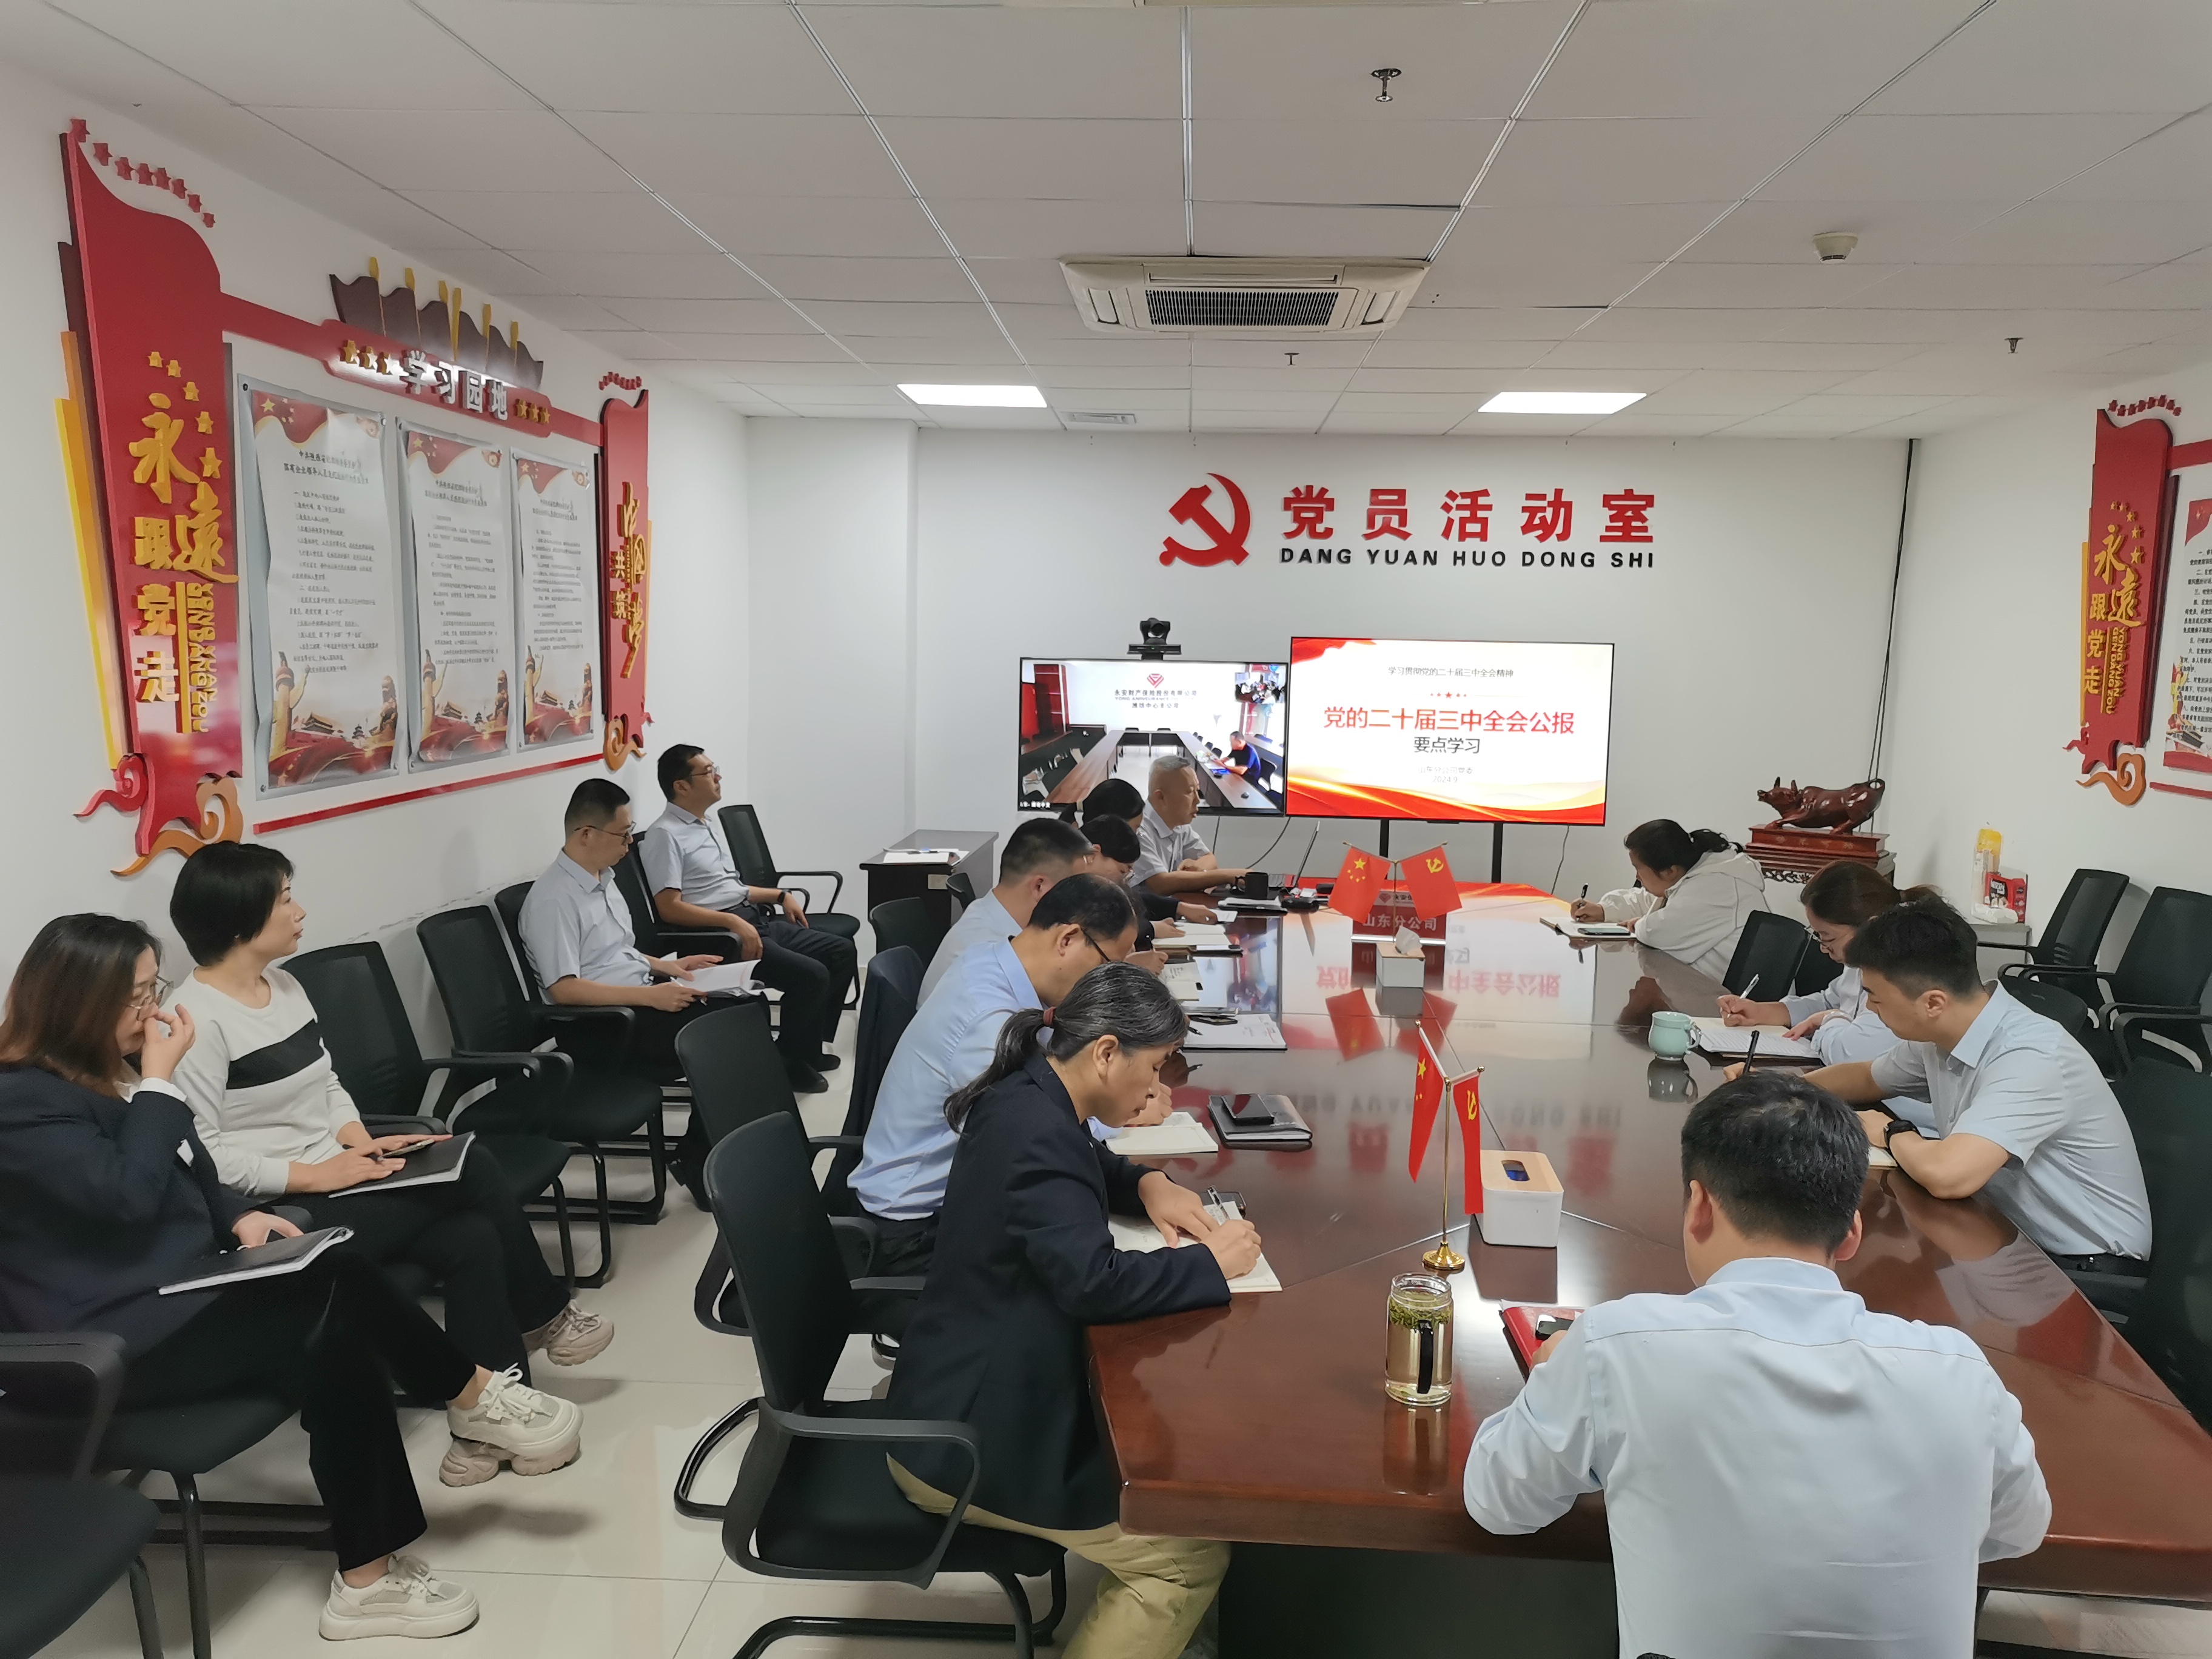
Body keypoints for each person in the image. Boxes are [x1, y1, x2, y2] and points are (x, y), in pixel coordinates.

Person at [0, 914, 590, 1641]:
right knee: (337, 1285)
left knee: (337, 1328)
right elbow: (125, 1195)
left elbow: (191, 1166)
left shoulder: (112, 1074)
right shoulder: (20, 1103)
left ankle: (369, 1579)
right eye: (137, 996)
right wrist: (157, 1081)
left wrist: (240, 1217)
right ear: (76, 1002)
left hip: (180, 1296)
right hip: (110, 1345)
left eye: (155, 988)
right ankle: (471, 1394)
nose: (154, 1010)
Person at [1463, 1070, 2048, 1658]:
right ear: (1851, 1233)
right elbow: (2019, 1529)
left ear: (1699, 1207)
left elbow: (1499, 1500)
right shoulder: (1960, 1373)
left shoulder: (1616, 1346)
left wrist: (1554, 1373)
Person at [886, 964, 1259, 1659]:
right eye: (1154, 1069)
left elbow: (1082, 1166)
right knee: (1186, 1556)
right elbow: (1094, 1283)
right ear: (1107, 1052)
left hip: (960, 1379)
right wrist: (1211, 1264)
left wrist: (1146, 1182)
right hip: (964, 1438)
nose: (1157, 1089)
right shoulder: (1037, 1131)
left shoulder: (1033, 1091)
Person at [164, 842, 611, 1396]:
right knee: (473, 1167)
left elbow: (327, 1083)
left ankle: (490, 1405)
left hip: (342, 1172)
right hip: (283, 1211)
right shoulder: (196, 1020)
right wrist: (316, 1176)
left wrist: (358, 1139)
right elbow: (204, 1157)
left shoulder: (283, 986)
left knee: (471, 1234)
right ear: (240, 918)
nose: (300, 911)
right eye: (285, 899)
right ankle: (544, 1317)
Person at [1798, 898, 2151, 1298]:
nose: (1871, 1008)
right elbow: (1866, 1077)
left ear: (1933, 1002)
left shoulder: (2031, 1055)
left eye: (1875, 997)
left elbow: (1949, 1175)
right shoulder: (1944, 1031)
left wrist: (1892, 1131)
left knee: (1880, 1287)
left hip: (2083, 1264)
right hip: (2002, 1229)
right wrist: (1779, 1089)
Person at [850, 875, 1156, 1275]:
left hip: (955, 1197)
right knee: (1077, 1275)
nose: (1105, 986)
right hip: (912, 1231)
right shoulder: (988, 1019)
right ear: (1068, 939)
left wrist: (1141, 1182)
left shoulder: (994, 961)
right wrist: (1116, 1110)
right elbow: (1041, 1133)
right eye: (1107, 967)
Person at [515, 775, 763, 1083]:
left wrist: (668, 966)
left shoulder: (603, 878)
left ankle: (742, 1108)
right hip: (604, 1024)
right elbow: (565, 989)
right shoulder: (553, 900)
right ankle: (718, 1115)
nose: (630, 842)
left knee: (745, 1002)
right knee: (726, 1027)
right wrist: (651, 997)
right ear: (587, 835)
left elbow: (614, 952)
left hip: (637, 998)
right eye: (623, 835)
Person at [638, 744, 853, 1081]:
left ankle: (806, 1048)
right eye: (708, 772)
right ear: (682, 786)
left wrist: (781, 895)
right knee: (810, 976)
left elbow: (730, 888)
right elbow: (669, 908)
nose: (718, 777)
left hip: (751, 921)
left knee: (841, 952)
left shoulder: (705, 824)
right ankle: (789, 1063)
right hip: (719, 937)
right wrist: (733, 922)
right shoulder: (664, 835)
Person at [1717, 861, 1937, 1076]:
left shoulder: (1900, 971)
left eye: (1828, 937)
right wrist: (1762, 1012)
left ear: (1870, 926)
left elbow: (1850, 1055)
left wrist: (1829, 1019)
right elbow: (1830, 1001)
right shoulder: (1860, 960)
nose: (1823, 948)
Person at [919, 815, 1093, 1002]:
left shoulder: (989, 913)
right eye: (1076, 890)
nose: (1082, 902)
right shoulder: (986, 953)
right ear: (1039, 887)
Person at [1567, 819, 1770, 980]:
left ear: (1669, 871)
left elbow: (1658, 933)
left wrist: (1639, 923)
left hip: (1739, 1002)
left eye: (1638, 869)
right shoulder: (1693, 873)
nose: (1637, 877)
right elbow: (1652, 900)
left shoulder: (1718, 885)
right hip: (1703, 987)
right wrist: (1604, 910)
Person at [1082, 779, 1214, 925]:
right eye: (1135, 829)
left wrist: (1179, 907)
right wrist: (1152, 929)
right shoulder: (1076, 875)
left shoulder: (1100, 859)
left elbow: (1127, 899)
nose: (1137, 837)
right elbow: (1100, 925)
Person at [1130, 756, 1250, 900]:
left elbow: (1209, 858)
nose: (1198, 800)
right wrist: (1229, 876)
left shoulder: (1178, 823)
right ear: (1161, 797)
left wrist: (1198, 868)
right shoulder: (1138, 828)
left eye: (1197, 790)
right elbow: (1160, 884)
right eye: (1190, 791)